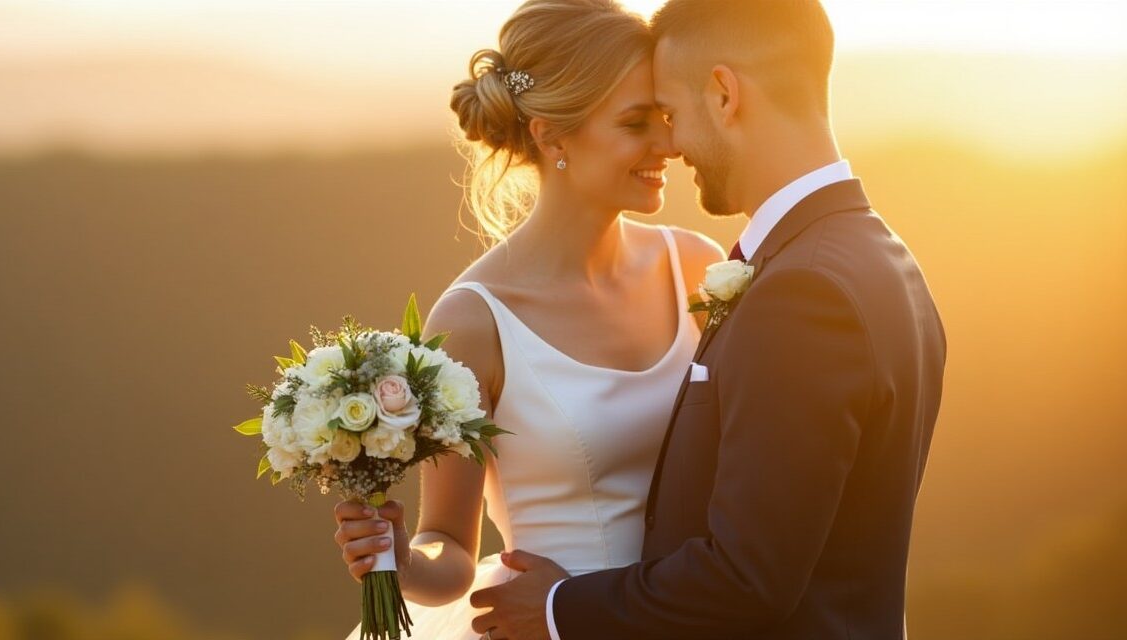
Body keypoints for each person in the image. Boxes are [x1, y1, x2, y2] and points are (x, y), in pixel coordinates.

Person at [471, 1, 947, 639]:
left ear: (724, 94)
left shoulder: (802, 292)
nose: (671, 142)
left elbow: (747, 578)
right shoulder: (880, 256)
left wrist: (558, 610)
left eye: (670, 111)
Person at [333, 1, 725, 638]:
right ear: (552, 136)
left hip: (692, 616)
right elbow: (449, 551)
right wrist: (399, 557)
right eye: (636, 123)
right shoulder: (474, 323)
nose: (670, 144)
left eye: (665, 118)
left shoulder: (699, 268)